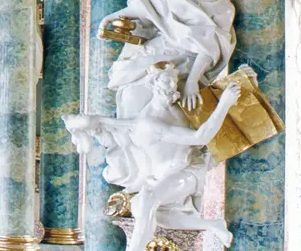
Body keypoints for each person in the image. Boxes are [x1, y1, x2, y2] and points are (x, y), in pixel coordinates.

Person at [65, 64, 241, 251]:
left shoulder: (175, 111)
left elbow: (201, 137)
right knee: (142, 205)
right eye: (167, 82)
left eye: (173, 83)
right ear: (153, 85)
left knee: (147, 199)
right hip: (164, 176)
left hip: (188, 171)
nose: (172, 87)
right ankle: (213, 225)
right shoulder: (148, 122)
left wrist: (225, 101)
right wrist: (225, 103)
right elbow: (200, 136)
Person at [101, 0, 233, 114]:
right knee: (129, 94)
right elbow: (146, 7)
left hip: (185, 62)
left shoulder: (223, 9)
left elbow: (211, 49)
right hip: (155, 50)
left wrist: (193, 80)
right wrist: (109, 18)